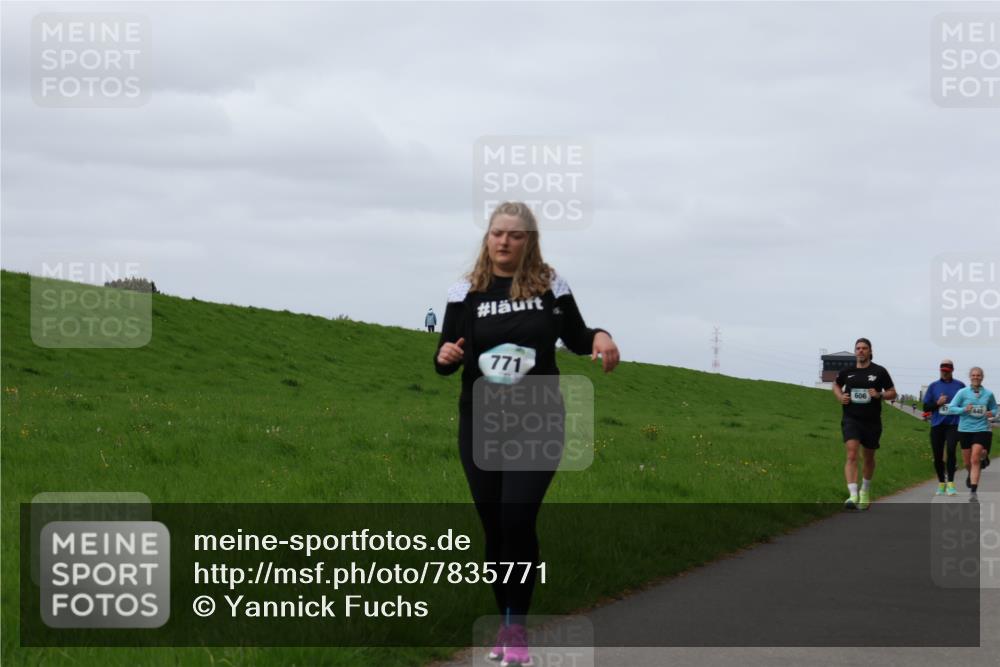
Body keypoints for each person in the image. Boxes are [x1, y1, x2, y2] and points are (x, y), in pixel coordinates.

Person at [434, 201, 619, 666]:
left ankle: (516, 631)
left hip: (537, 416)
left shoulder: (550, 286)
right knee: (495, 528)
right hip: (481, 418)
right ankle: (507, 622)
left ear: (529, 241)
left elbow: (577, 336)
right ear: (487, 238)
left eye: (515, 235)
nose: (504, 242)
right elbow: (446, 351)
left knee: (516, 518)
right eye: (497, 233)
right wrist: (445, 359)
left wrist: (600, 336)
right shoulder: (465, 291)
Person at [832, 338, 897, 510]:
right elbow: (836, 385)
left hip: (872, 421)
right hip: (851, 419)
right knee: (852, 454)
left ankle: (865, 491)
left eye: (864, 348)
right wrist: (840, 396)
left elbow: (893, 393)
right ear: (855, 351)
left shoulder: (879, 371)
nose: (860, 351)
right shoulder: (847, 371)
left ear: (870, 351)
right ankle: (852, 494)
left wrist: (879, 395)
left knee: (868, 457)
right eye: (858, 348)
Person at [943, 367, 996, 502]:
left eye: (978, 375)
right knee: (967, 462)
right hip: (965, 430)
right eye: (973, 375)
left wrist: (992, 413)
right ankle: (971, 473)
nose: (976, 377)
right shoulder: (962, 392)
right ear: (970, 377)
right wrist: (963, 409)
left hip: (982, 429)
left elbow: (995, 408)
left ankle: (973, 492)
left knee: (975, 458)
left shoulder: (988, 394)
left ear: (982, 377)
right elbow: (951, 408)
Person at [922, 360, 965, 496]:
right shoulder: (934, 386)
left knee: (951, 450)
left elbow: (965, 403)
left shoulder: (960, 386)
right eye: (943, 371)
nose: (945, 373)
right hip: (937, 425)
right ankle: (941, 482)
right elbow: (926, 407)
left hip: (953, 424)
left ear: (952, 370)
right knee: (937, 455)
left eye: (947, 371)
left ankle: (951, 483)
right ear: (940, 370)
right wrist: (938, 403)